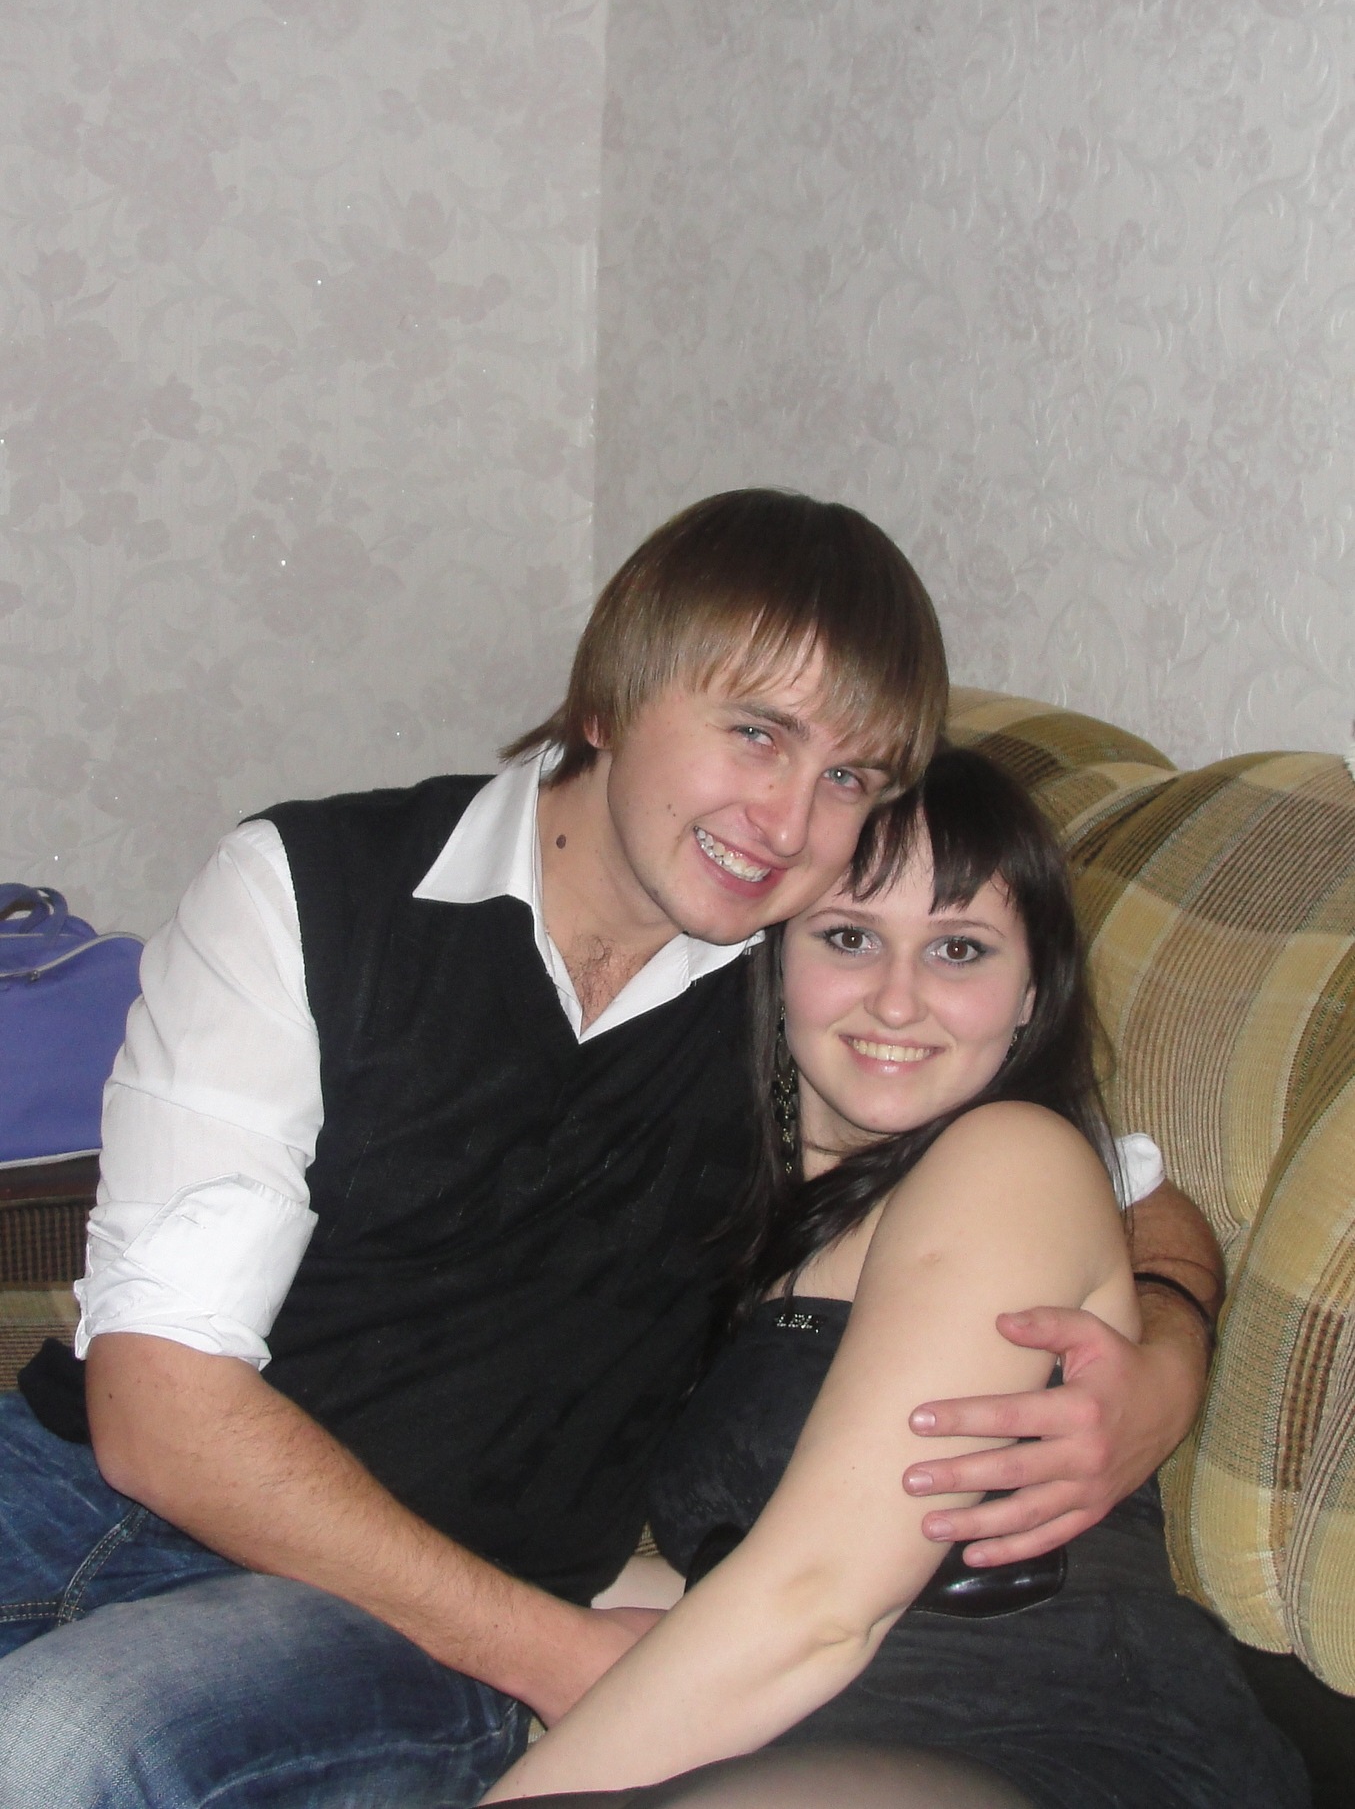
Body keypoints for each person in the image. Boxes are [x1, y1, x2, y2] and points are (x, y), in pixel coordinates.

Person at [0, 493, 1220, 1809]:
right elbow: (156, 1403)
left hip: (419, 1607)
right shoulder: (306, 886)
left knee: (63, 1740)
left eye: (847, 778)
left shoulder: (797, 988)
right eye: (755, 732)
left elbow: (1092, 1181)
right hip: (66, 1483)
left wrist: (1161, 1348)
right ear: (608, 698)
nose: (786, 822)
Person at [482, 748, 1304, 1809]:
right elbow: (741, 1575)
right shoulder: (729, 1213)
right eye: (848, 937)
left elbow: (820, 1602)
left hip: (1052, 1731)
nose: (897, 999)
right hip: (808, 1726)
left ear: (1030, 992)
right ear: (774, 958)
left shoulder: (1010, 1160)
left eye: (958, 949)